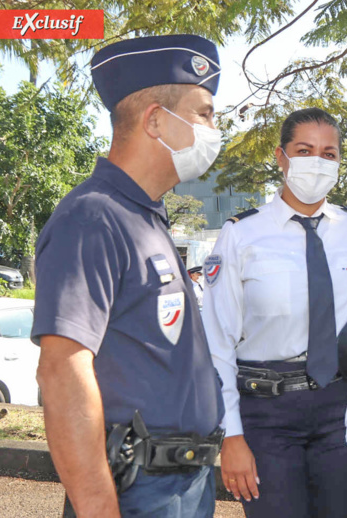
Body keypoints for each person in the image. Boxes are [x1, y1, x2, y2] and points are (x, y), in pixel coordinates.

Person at [31, 35, 226, 517]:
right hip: (137, 491)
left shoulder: (146, 217)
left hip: (184, 484)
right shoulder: (93, 217)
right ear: (155, 120)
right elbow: (62, 370)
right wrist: (98, 507)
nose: (214, 129)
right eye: (204, 113)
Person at [202, 108, 347, 517]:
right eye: (305, 149)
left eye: (328, 153)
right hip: (266, 413)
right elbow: (216, 342)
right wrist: (231, 436)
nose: (317, 161)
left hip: (344, 405)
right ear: (281, 158)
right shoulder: (242, 234)